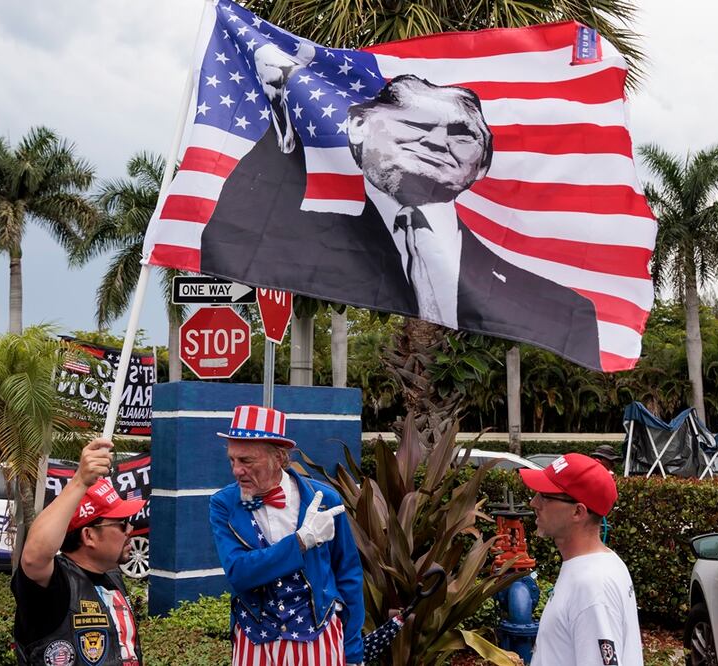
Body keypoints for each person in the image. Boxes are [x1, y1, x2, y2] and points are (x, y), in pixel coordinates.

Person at [201, 75, 602, 370]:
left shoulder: (562, 307)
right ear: (358, 127)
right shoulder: (311, 240)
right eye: (416, 124)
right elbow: (234, 232)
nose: (436, 142)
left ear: (482, 164)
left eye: (462, 135)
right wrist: (283, 116)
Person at [208, 405, 365, 665]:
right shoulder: (224, 503)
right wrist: (301, 542)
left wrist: (353, 652)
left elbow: (348, 573)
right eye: (232, 460)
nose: (236, 470)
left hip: (317, 638)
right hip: (254, 639)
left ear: (279, 457)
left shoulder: (324, 499)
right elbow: (239, 573)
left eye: (246, 461)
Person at [12, 438, 146, 666]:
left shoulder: (111, 577)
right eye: (122, 524)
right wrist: (79, 481)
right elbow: (34, 556)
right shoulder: (54, 586)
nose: (130, 530)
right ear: (89, 536)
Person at [520, 453, 643, 666]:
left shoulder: (591, 586)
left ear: (578, 512)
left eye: (545, 496)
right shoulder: (601, 564)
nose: (534, 502)